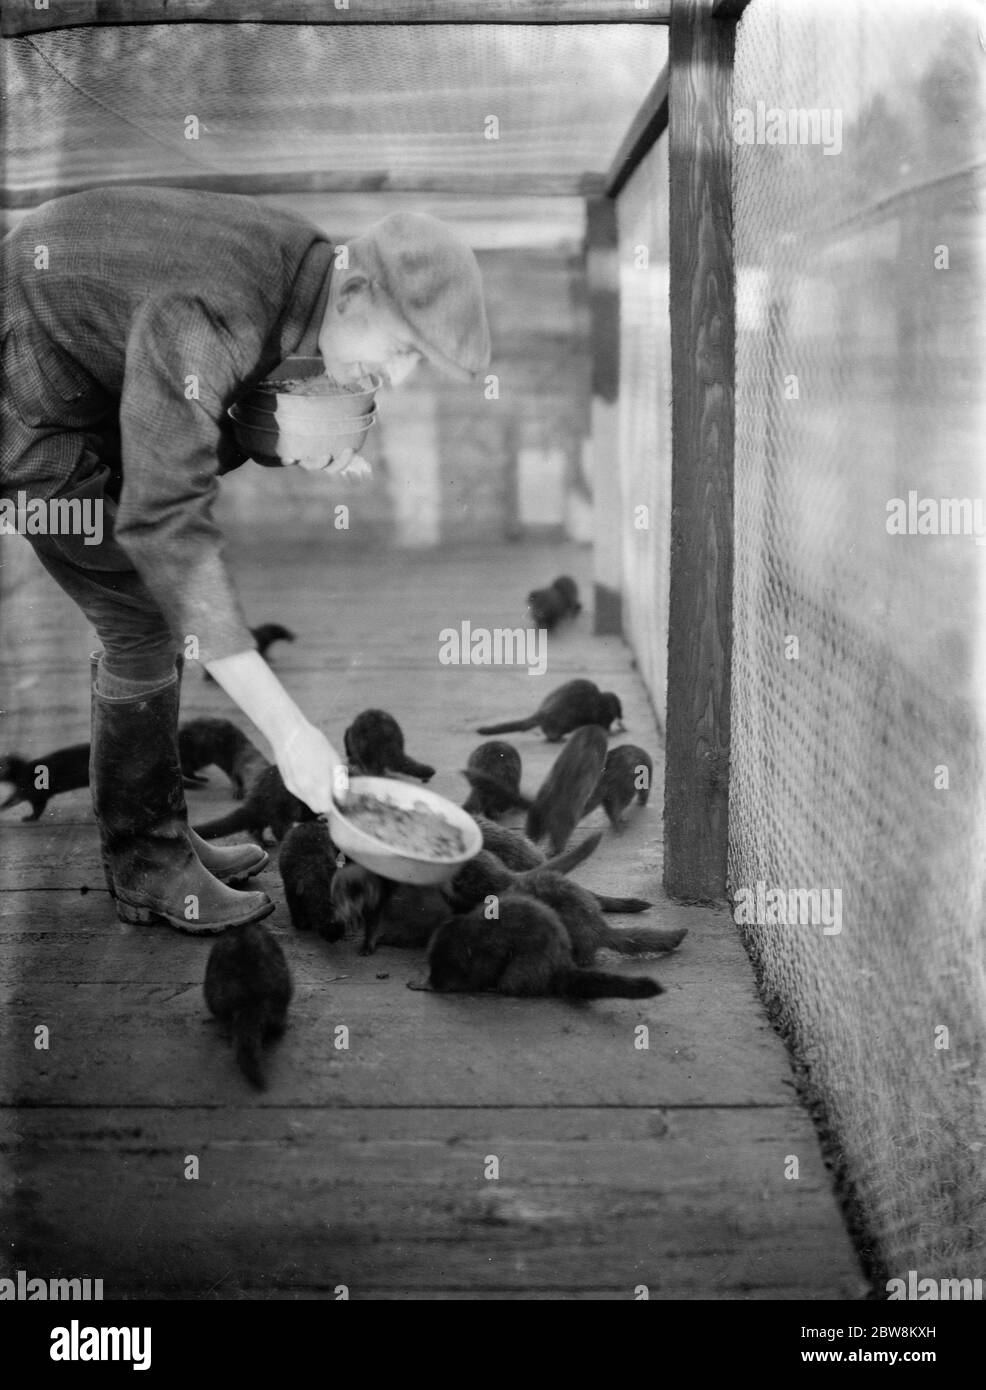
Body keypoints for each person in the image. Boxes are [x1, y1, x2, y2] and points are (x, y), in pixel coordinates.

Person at [0, 187, 491, 933]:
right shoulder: (213, 309)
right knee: (141, 612)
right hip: (28, 402)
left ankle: (163, 833)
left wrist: (309, 439)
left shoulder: (303, 262)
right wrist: (288, 731)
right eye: (401, 352)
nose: (399, 378)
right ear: (355, 293)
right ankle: (147, 861)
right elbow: (165, 521)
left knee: (147, 609)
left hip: (86, 374)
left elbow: (229, 399)